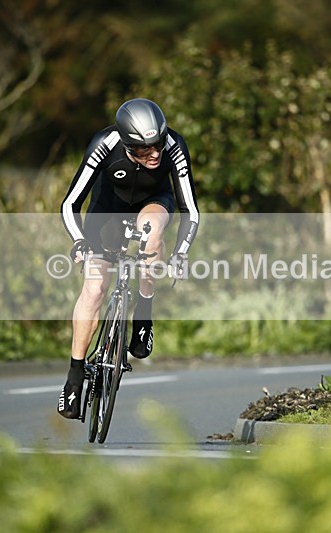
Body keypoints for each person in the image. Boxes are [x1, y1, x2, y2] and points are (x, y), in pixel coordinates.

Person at [57, 98, 200, 419]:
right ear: (125, 143)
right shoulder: (104, 144)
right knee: (94, 290)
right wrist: (79, 240)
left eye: (158, 145)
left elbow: (189, 207)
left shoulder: (174, 146)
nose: (154, 155)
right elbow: (70, 204)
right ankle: (74, 377)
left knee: (151, 231)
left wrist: (181, 253)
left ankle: (144, 316)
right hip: (107, 209)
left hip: (153, 202)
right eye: (142, 150)